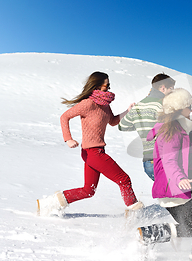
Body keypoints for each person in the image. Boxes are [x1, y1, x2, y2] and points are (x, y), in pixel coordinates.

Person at [37, 72, 144, 216]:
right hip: (91, 153)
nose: (108, 88)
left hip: (98, 151)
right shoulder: (87, 103)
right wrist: (68, 138)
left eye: (109, 85)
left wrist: (127, 111)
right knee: (124, 179)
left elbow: (112, 121)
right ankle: (135, 213)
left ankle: (49, 203)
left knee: (89, 190)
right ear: (97, 85)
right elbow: (64, 117)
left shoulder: (105, 105)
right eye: (106, 85)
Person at [137, 88, 192, 261]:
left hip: (173, 187)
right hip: (174, 188)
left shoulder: (176, 129)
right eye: (189, 106)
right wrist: (180, 178)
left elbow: (178, 156)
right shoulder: (172, 131)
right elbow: (169, 161)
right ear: (179, 109)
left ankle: (149, 234)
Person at [118, 73, 175, 180]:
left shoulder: (138, 105)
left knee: (168, 194)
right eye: (171, 89)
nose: (172, 92)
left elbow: (122, 126)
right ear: (163, 88)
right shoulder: (162, 105)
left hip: (148, 163)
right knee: (182, 193)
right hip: (162, 159)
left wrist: (140, 123)